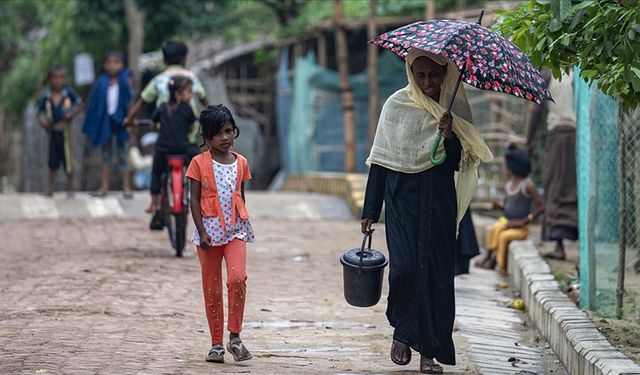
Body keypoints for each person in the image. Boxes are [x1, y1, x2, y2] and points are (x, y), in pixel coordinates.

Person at [361, 49, 492, 374]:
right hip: (401, 201)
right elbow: (381, 160)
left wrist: (449, 135)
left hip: (438, 203)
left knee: (435, 278)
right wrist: (370, 209)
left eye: (434, 75)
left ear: (445, 73)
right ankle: (403, 331)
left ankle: (428, 353)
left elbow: (457, 163)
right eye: (420, 75)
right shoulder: (395, 105)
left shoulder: (454, 108)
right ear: (410, 73)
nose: (427, 82)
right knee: (404, 271)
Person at [187, 105, 254, 363]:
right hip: (209, 237)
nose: (225, 138)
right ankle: (216, 344)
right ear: (206, 137)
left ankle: (234, 336)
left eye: (229, 131)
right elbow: (193, 200)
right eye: (218, 133)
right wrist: (201, 231)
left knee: (237, 278)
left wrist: (243, 221)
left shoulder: (242, 163)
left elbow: (241, 196)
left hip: (236, 232)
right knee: (212, 288)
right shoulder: (198, 164)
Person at [526, 71, 578, 260]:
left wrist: (529, 140)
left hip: (560, 135)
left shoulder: (550, 75)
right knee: (570, 187)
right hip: (578, 135)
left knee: (556, 186)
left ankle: (559, 245)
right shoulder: (579, 75)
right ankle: (566, 241)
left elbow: (536, 110)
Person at [476, 145, 545, 273]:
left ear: (512, 167)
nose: (503, 168)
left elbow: (542, 206)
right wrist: (499, 206)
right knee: (495, 228)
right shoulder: (509, 185)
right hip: (507, 222)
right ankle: (489, 255)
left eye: (505, 165)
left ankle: (499, 265)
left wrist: (525, 220)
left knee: (504, 237)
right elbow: (509, 208)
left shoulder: (527, 185)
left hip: (520, 228)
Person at [124, 41, 208, 144]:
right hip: (187, 135)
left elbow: (142, 103)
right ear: (184, 60)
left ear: (164, 60)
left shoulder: (158, 80)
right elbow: (203, 99)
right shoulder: (191, 78)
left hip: (164, 134)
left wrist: (130, 119)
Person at [82, 50, 133, 198]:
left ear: (121, 64)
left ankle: (126, 188)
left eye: (116, 62)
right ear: (105, 65)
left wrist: (130, 120)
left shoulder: (125, 80)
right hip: (106, 122)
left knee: (123, 154)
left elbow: (129, 101)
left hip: (122, 121)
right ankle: (104, 187)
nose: (113, 66)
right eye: (109, 63)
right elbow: (95, 105)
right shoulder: (100, 82)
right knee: (105, 155)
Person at [147, 76, 199, 215]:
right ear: (178, 94)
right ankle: (202, 196)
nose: (191, 95)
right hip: (183, 149)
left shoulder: (162, 107)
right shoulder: (187, 108)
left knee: (156, 173)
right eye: (188, 92)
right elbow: (191, 126)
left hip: (163, 149)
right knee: (200, 165)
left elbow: (153, 124)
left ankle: (154, 203)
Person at [37, 66, 82, 197]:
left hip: (66, 133)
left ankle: (69, 190)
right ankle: (50, 189)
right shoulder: (46, 96)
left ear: (65, 79)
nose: (58, 81)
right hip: (52, 132)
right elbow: (38, 113)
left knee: (68, 162)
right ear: (50, 79)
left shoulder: (69, 93)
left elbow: (80, 105)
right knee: (52, 162)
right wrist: (42, 122)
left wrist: (71, 114)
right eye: (55, 78)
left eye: (61, 77)